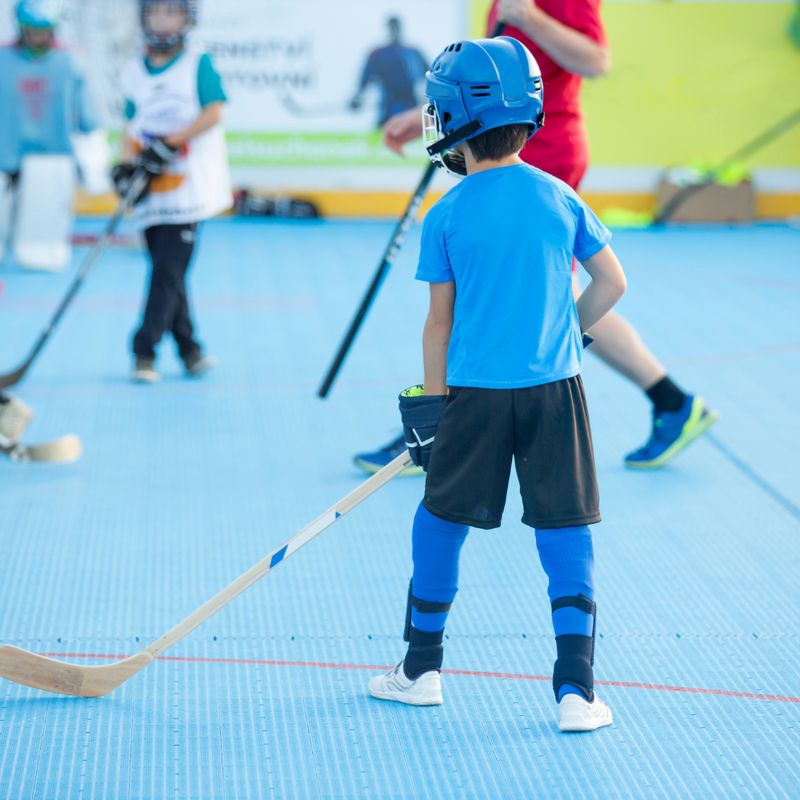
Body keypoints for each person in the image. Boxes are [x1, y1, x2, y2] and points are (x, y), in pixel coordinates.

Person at [368, 37, 625, 732]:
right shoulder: (558, 195)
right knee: (565, 528)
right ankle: (576, 689)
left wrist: (430, 407)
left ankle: (421, 669)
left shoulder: (445, 215)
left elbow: (438, 325)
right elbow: (612, 282)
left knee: (439, 523)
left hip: (473, 396)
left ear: (455, 120)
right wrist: (568, 331)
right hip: (555, 392)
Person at [355, 0, 717, 472]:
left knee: (480, 281)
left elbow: (596, 59)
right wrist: (438, 116)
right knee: (549, 289)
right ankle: (671, 401)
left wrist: (530, 16)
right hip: (498, 146)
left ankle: (443, 421)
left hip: (533, 150)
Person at [113, 0, 232, 383]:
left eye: (172, 12)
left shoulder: (197, 63)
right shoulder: (135, 71)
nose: (162, 20)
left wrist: (171, 142)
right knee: (170, 273)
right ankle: (190, 349)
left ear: (187, 19)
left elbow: (214, 112)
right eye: (155, 13)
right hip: (153, 190)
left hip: (189, 190)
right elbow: (130, 128)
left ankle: (143, 350)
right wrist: (129, 167)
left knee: (167, 270)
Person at [0, 0, 98, 268]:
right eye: (33, 30)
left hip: (50, 155)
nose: (40, 37)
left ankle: (39, 253)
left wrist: (92, 152)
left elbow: (86, 113)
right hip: (5, 153)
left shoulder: (68, 61)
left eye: (45, 31)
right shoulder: (2, 59)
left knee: (40, 243)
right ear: (21, 29)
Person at [349, 16, 428, 127]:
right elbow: (365, 80)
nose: (394, 30)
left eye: (396, 27)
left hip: (410, 107)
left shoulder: (413, 53)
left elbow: (429, 76)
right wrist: (358, 98)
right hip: (387, 108)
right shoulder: (378, 54)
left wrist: (429, 99)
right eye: (392, 27)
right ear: (388, 29)